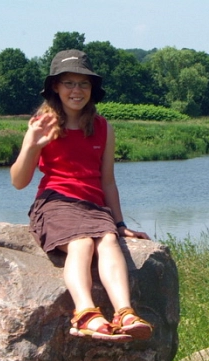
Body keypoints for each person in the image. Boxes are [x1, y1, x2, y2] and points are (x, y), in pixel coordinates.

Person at [11, 49, 153, 342]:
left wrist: (120, 222)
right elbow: (19, 181)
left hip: (93, 207)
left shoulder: (102, 128)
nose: (76, 90)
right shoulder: (43, 124)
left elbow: (108, 182)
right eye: (69, 83)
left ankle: (124, 312)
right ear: (55, 87)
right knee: (82, 243)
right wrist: (32, 146)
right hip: (55, 203)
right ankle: (86, 313)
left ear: (92, 89)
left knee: (110, 239)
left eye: (83, 83)